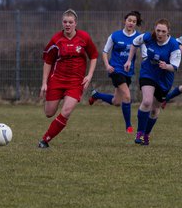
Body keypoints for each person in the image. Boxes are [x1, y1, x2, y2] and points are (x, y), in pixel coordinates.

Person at [38, 9, 98, 148]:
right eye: (65, 22)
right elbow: (48, 61)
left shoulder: (84, 37)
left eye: (70, 22)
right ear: (62, 23)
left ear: (75, 23)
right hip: (57, 79)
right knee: (49, 113)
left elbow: (94, 56)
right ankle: (57, 98)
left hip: (75, 82)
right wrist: (44, 83)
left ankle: (44, 140)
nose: (67, 24)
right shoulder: (56, 39)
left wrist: (89, 76)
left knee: (66, 112)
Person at [124, 18, 181, 145]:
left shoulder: (173, 45)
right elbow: (134, 43)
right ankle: (139, 133)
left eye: (163, 31)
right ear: (155, 29)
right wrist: (129, 60)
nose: (160, 34)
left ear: (168, 32)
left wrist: (166, 66)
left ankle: (146, 134)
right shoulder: (148, 37)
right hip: (148, 73)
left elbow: (175, 66)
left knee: (155, 109)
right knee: (147, 101)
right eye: (158, 30)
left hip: (164, 78)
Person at [88, 11, 145, 134]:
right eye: (129, 20)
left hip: (128, 72)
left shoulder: (139, 37)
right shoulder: (115, 35)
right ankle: (128, 127)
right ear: (125, 21)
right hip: (116, 70)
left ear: (136, 24)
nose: (131, 23)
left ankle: (96, 95)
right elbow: (104, 52)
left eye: (134, 21)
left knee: (116, 102)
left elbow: (145, 52)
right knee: (127, 96)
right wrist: (107, 65)